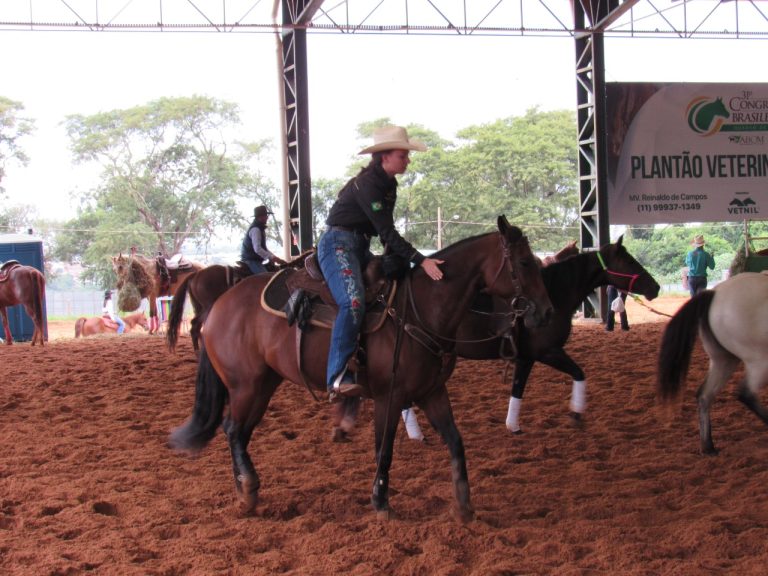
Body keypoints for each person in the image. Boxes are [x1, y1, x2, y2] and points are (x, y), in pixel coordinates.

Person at [317, 125, 445, 401]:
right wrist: (421, 261)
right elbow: (387, 231)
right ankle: (337, 378)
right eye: (403, 155)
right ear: (385, 157)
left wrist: (394, 258)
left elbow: (385, 229)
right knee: (352, 301)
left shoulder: (389, 185)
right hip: (337, 243)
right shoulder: (368, 184)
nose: (408, 160)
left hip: (360, 245)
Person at [240, 205, 287, 274]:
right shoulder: (256, 229)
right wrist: (272, 257)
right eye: (265, 215)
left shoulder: (259, 228)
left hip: (253, 259)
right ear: (260, 217)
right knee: (267, 278)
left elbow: (263, 248)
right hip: (251, 260)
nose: (267, 217)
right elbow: (257, 249)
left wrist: (274, 257)